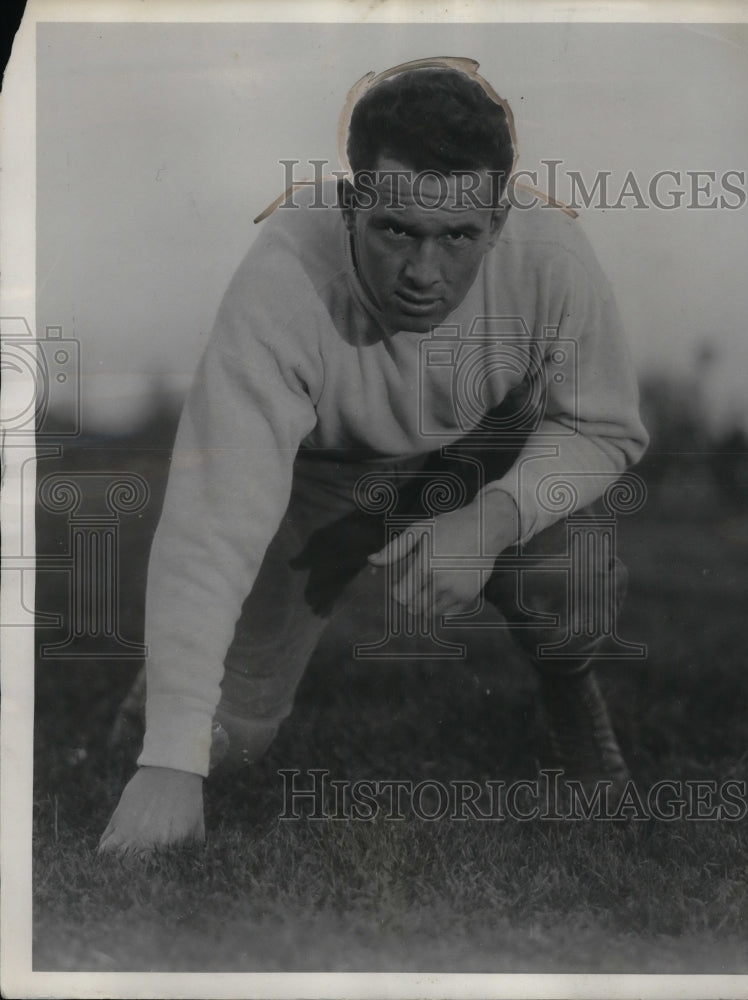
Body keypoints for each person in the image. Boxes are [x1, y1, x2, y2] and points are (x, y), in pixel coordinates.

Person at [99, 58, 648, 855]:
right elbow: (213, 518)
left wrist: (489, 521)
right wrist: (172, 760)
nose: (424, 274)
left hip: (486, 455)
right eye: (397, 231)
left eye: (457, 237)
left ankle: (573, 701)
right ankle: (169, 689)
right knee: (232, 741)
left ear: (498, 221)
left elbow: (604, 427)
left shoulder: (550, 256)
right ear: (351, 204)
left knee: (565, 576)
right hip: (332, 475)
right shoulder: (283, 275)